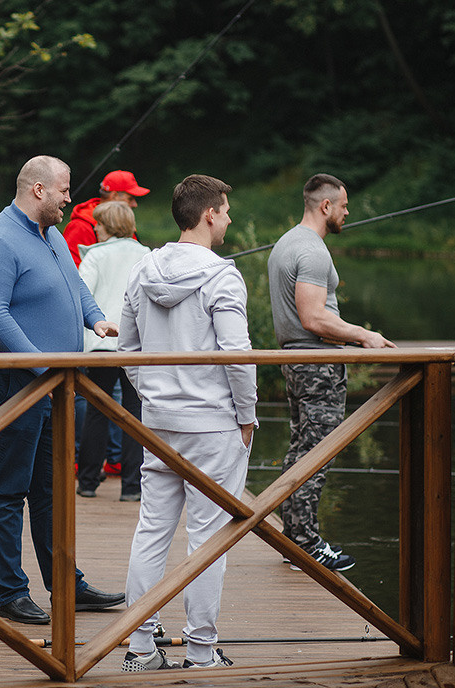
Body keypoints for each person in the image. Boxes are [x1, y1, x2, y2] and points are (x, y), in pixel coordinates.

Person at [0, 154, 125, 626]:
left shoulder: (51, 235)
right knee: (7, 488)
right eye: (64, 189)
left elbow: (76, 288)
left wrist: (96, 321)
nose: (70, 198)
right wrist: (43, 368)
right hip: (12, 381)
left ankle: (65, 585)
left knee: (53, 489)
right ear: (38, 190)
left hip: (55, 383)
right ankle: (11, 593)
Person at [118, 174, 255, 671]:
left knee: (151, 530)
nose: (230, 218)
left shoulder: (143, 269)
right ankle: (200, 651)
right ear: (209, 215)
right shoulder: (223, 275)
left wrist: (150, 396)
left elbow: (126, 351)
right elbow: (237, 353)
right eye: (225, 210)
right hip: (214, 425)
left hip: (157, 422)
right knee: (208, 537)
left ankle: (138, 648)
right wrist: (248, 415)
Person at [267, 173, 395, 571]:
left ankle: (295, 538)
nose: (347, 211)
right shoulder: (313, 251)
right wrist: (364, 335)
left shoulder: (286, 242)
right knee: (317, 455)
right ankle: (304, 544)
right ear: (325, 206)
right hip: (317, 363)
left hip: (296, 361)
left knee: (301, 450)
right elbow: (313, 316)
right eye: (343, 205)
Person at [75, 201, 148, 501]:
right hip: (135, 344)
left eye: (99, 224)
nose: (94, 228)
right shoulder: (147, 256)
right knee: (134, 412)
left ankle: (89, 481)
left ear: (108, 226)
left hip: (101, 343)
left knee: (97, 412)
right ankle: (132, 485)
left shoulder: (94, 256)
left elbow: (80, 294)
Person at [62, 169, 150, 267]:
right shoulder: (81, 226)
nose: (135, 204)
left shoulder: (123, 223)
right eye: (130, 199)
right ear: (114, 196)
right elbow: (71, 270)